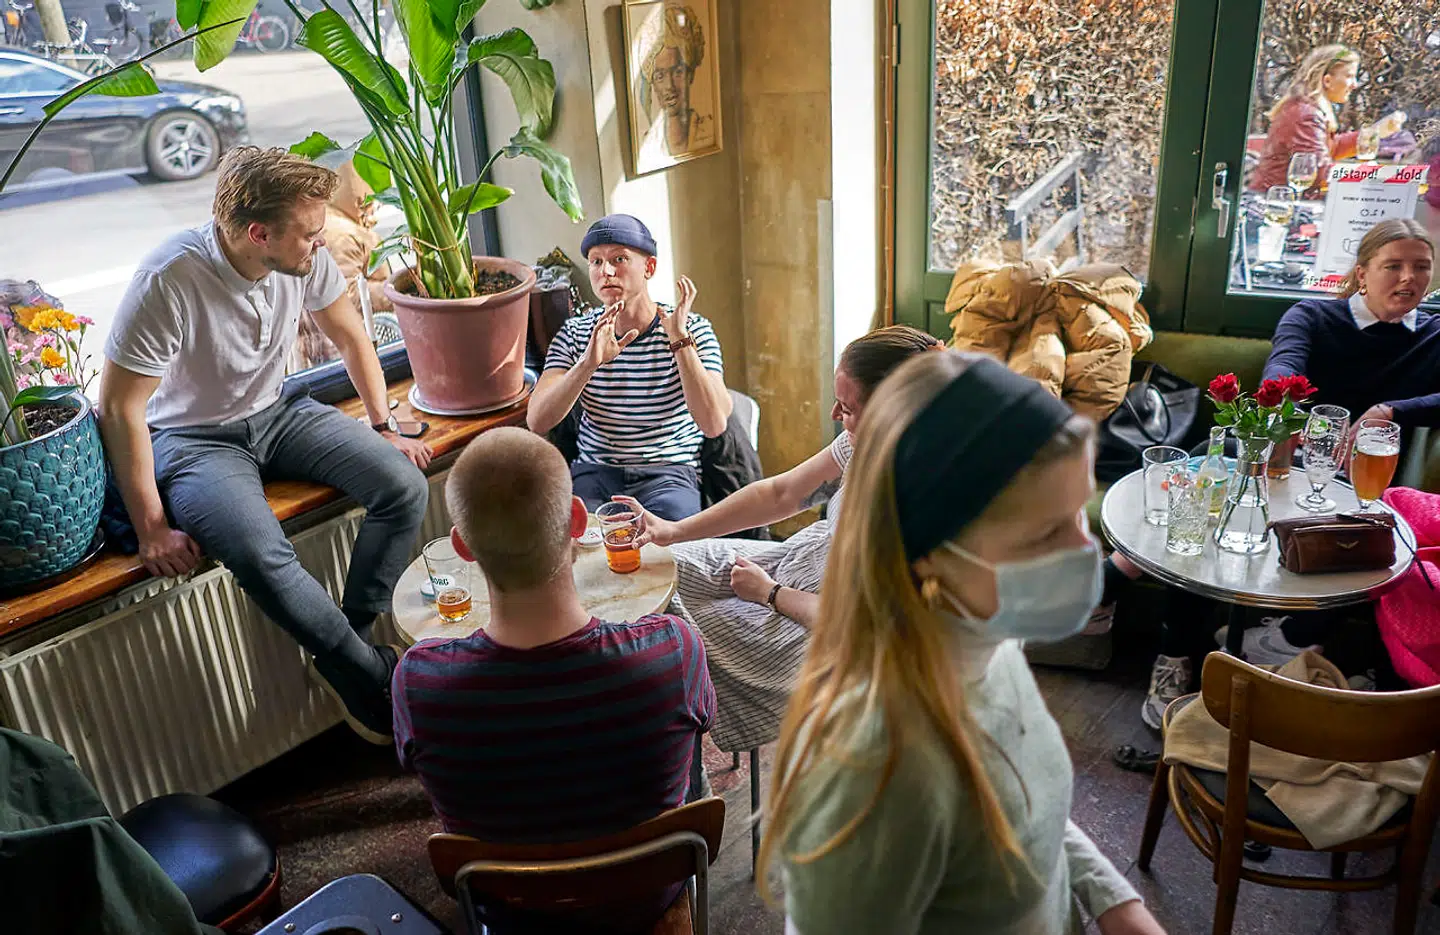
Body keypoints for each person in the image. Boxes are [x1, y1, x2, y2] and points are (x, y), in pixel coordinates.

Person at [759, 351, 1164, 934]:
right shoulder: (870, 774)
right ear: (932, 553)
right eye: (1044, 532)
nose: (1084, 552)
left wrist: (1118, 904)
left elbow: (1022, 809)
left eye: (1079, 514)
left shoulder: (990, 639)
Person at [100, 147, 433, 745]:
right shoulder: (168, 279)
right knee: (258, 553)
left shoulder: (304, 258)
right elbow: (121, 407)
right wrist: (151, 528)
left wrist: (383, 425)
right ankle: (368, 674)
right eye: (308, 233)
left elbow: (350, 335)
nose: (320, 241)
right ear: (259, 234)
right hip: (193, 441)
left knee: (404, 487)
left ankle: (348, 652)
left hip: (278, 412)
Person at [392, 427, 714, 932]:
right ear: (579, 521)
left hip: (511, 911)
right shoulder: (672, 652)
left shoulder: (419, 684)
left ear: (462, 547)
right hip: (645, 900)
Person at [1133, 219, 1440, 729]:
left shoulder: (1432, 333)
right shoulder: (1313, 315)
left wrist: (1391, 410)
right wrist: (1287, 416)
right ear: (1362, 273)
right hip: (1286, 456)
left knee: (1373, 538)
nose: (1409, 278)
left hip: (1360, 477)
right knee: (1208, 500)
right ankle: (1176, 652)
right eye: (1393, 266)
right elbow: (1284, 365)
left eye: (1421, 267)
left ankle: (1287, 639)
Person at [618, 324, 943, 752]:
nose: (834, 414)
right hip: (800, 561)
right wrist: (673, 530)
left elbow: (863, 627)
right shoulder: (864, 443)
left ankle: (676, 767)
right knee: (661, 567)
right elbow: (781, 493)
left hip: (822, 630)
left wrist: (769, 593)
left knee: (667, 642)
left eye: (847, 407)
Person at [527, 213, 731, 521]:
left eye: (619, 259)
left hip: (669, 474)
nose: (606, 271)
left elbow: (714, 424)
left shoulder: (693, 329)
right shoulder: (575, 334)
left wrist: (680, 341)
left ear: (649, 267)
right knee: (581, 542)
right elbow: (537, 421)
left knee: (671, 543)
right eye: (596, 262)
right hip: (595, 472)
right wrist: (588, 364)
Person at [1250, 44, 1405, 193]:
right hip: (1278, 200)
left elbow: (1331, 148)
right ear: (1327, 80)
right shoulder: (1305, 115)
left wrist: (1375, 132)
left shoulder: (1305, 107)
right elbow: (1319, 172)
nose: (1355, 85)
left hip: (1282, 196)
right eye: (1349, 76)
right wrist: (1366, 172)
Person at [292, 159, 393, 372]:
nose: (376, 211)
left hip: (316, 353)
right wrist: (395, 291)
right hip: (341, 355)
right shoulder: (344, 235)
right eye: (376, 202)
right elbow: (349, 295)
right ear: (361, 200)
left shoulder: (325, 222)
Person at [637, 1, 715, 164]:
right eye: (660, 76)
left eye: (678, 72)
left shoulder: (708, 130)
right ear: (653, 84)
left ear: (690, 74)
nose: (670, 86)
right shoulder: (648, 146)